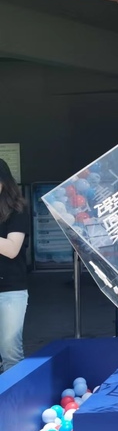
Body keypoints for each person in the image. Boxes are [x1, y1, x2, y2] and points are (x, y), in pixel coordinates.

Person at [0, 159, 30, 372]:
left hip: (10, 290)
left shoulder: (17, 210)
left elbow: (12, 249)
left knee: (10, 352)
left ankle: (13, 392)